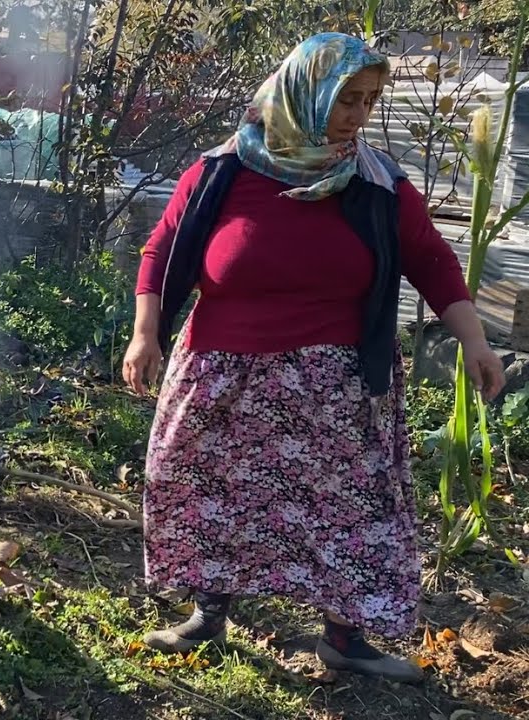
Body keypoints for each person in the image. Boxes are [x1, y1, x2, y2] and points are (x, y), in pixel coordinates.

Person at [122, 32, 506, 682]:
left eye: (369, 101)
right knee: (206, 488)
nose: (359, 115)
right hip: (223, 372)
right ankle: (207, 615)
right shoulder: (222, 171)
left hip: (336, 386)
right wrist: (144, 332)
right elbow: (161, 248)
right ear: (306, 92)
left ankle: (345, 639)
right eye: (346, 99)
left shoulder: (377, 182)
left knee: (351, 509)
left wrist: (474, 339)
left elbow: (432, 260)